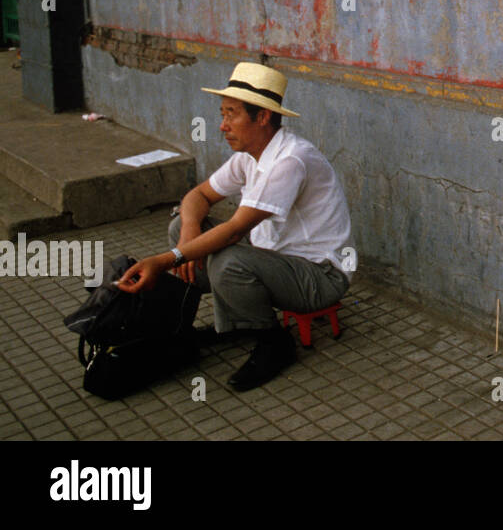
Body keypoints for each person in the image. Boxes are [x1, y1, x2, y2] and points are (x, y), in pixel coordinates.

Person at [117, 62, 353, 392]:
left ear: (263, 117)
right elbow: (198, 195)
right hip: (274, 258)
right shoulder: (250, 154)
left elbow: (234, 231)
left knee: (229, 262)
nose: (222, 126)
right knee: (182, 229)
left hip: (320, 275)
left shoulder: (289, 160)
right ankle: (231, 325)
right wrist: (186, 234)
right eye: (222, 114)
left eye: (232, 114)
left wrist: (166, 260)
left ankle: (273, 343)